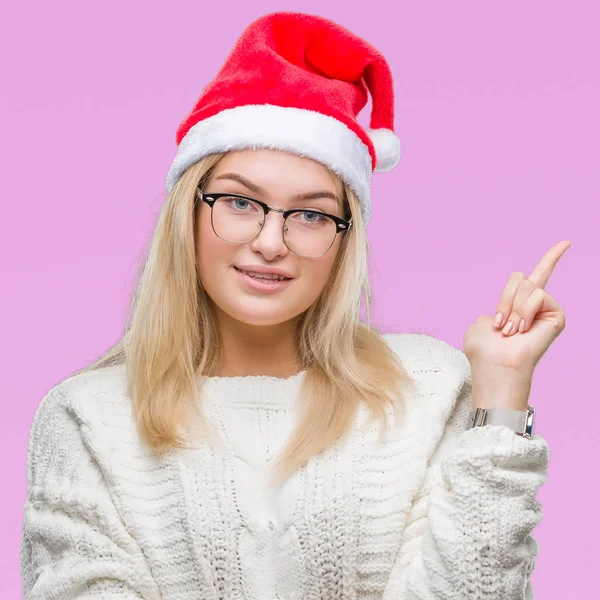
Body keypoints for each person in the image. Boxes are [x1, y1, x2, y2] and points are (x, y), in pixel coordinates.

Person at [20, 11, 550, 600]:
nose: (271, 242)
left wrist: (501, 394)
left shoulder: (429, 387)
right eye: (240, 203)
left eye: (311, 214)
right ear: (188, 215)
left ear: (345, 238)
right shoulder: (86, 419)